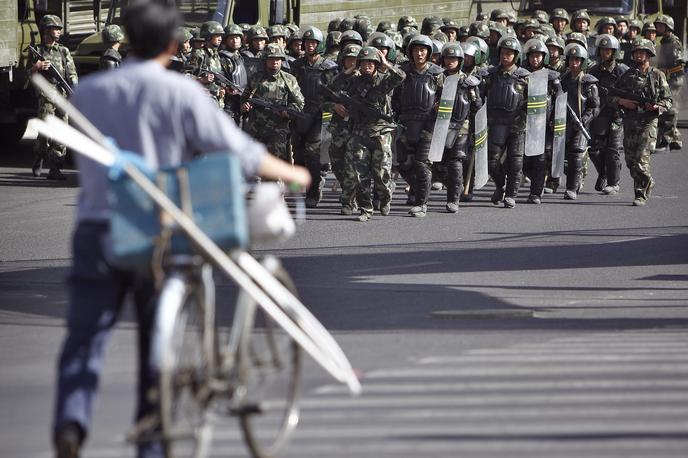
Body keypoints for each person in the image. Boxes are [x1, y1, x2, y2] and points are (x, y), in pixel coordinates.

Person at [51, 2, 310, 458]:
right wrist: (293, 173)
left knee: (85, 335)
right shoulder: (182, 93)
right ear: (174, 44)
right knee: (160, 343)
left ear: (127, 38)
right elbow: (239, 152)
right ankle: (154, 441)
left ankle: (71, 422)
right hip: (160, 229)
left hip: (97, 227)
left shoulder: (88, 91)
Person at [345, 47, 405, 221]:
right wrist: (350, 70)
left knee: (381, 173)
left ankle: (385, 199)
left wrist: (387, 64)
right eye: (364, 63)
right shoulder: (354, 82)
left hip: (381, 132)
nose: (367, 66)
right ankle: (365, 209)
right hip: (359, 132)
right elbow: (333, 86)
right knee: (359, 174)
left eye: (371, 62)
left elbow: (401, 77)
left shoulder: (383, 81)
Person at [421, 42, 482, 213]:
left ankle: (453, 199)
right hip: (438, 125)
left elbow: (477, 106)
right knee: (432, 162)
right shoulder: (436, 77)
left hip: (461, 126)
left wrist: (474, 96)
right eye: (448, 58)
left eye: (454, 58)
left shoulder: (469, 81)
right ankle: (421, 200)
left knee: (456, 162)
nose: (450, 61)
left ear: (460, 60)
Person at [611, 39, 672, 206]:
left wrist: (656, 107)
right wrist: (623, 102)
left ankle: (641, 193)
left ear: (649, 54)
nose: (639, 54)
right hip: (630, 122)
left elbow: (668, 100)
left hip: (648, 122)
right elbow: (611, 96)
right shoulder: (628, 75)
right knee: (631, 161)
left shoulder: (657, 75)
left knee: (641, 159)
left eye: (642, 52)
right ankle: (646, 183)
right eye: (637, 52)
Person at [393, 34, 443, 215]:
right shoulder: (403, 72)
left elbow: (445, 100)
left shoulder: (437, 74)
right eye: (416, 50)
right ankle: (420, 188)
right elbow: (394, 96)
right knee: (403, 163)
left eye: (423, 50)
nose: (419, 53)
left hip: (428, 126)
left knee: (422, 164)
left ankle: (422, 203)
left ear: (428, 52)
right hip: (406, 123)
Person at [290, 26, 338, 208]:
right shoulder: (296, 66)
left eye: (313, 43)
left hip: (320, 115)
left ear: (320, 44)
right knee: (299, 154)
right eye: (307, 42)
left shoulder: (329, 68)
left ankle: (313, 192)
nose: (309, 46)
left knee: (313, 155)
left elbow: (336, 92)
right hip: (299, 114)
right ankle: (303, 186)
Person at [28, 14, 78, 180]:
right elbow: (28, 74)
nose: (58, 31)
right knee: (45, 131)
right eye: (55, 28)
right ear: (46, 31)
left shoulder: (63, 51)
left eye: (59, 29)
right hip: (46, 97)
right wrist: (37, 67)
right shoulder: (38, 51)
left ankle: (55, 167)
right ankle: (39, 157)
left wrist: (74, 90)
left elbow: (71, 73)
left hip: (62, 96)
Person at [483, 36, 529, 208]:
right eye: (503, 53)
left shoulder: (524, 77)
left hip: (517, 124)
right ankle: (501, 185)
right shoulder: (490, 75)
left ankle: (511, 195)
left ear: (515, 55)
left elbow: (536, 102)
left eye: (509, 53)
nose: (505, 56)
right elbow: (480, 98)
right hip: (495, 123)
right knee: (491, 161)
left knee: (516, 162)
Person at [240, 43, 305, 162]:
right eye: (271, 59)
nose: (275, 62)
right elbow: (244, 97)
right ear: (265, 60)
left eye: (278, 59)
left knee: (276, 166)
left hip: (279, 130)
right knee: (256, 166)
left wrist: (288, 112)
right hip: (256, 129)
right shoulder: (256, 78)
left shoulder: (289, 79)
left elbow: (299, 103)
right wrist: (244, 105)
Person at [587, 34, 629, 195]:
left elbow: (630, 92)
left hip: (618, 114)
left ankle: (613, 183)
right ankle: (603, 172)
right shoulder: (594, 70)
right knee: (595, 149)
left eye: (609, 50)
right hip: (600, 114)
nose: (606, 53)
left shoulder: (622, 71)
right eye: (603, 50)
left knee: (613, 149)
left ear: (615, 52)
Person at [522, 38, 562, 204]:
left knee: (540, 159)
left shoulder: (552, 77)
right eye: (532, 56)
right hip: (524, 123)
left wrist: (554, 121)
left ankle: (535, 193)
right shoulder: (522, 74)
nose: (535, 59)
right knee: (523, 161)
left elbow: (560, 100)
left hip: (544, 124)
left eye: (538, 56)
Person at [560, 43, 599, 200]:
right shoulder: (562, 79)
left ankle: (572, 188)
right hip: (564, 123)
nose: (574, 63)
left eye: (577, 60)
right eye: (571, 59)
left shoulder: (588, 82)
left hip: (580, 124)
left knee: (576, 154)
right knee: (559, 156)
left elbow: (594, 107)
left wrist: (584, 120)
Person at [654, 14, 684, 150]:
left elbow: (680, 63)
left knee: (670, 109)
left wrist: (667, 71)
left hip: (674, 78)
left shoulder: (673, 41)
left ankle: (666, 140)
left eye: (661, 25)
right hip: (666, 77)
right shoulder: (665, 41)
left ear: (668, 27)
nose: (658, 27)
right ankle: (675, 140)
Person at [187, 20, 226, 108]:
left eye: (221, 36)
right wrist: (201, 80)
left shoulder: (216, 55)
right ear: (208, 37)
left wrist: (221, 88)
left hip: (216, 102)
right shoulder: (198, 54)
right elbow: (184, 76)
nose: (220, 39)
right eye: (217, 36)